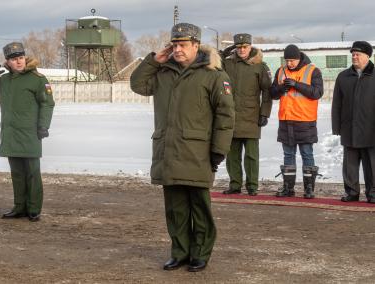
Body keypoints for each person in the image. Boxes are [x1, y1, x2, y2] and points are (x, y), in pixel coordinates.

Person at [130, 23, 234, 272]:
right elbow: (137, 84)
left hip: (198, 152)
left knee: (199, 206)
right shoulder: (163, 72)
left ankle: (200, 253)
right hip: (168, 149)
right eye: (174, 45)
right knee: (175, 207)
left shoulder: (214, 74)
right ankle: (180, 252)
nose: (178, 49)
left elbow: (226, 116)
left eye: (183, 45)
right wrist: (155, 60)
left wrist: (218, 151)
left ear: (196, 45)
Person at [0, 42, 55, 221]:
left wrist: (43, 125)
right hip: (10, 134)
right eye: (14, 59)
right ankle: (19, 207)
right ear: (8, 62)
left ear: (25, 58)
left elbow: (47, 103)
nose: (19, 62)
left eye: (21, 58)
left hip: (30, 133)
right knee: (16, 173)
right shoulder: (5, 80)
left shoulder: (37, 79)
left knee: (32, 173)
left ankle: (33, 209)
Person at [220, 33, 272, 196]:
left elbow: (267, 91)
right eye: (239, 47)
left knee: (251, 156)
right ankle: (235, 184)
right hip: (231, 117)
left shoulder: (259, 66)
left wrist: (265, 113)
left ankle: (252, 186)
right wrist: (222, 53)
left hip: (251, 117)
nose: (242, 50)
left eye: (244, 47)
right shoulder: (228, 64)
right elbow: (213, 65)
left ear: (250, 47)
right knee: (232, 155)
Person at [269, 44, 323, 198]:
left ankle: (309, 189)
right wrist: (280, 88)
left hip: (305, 120)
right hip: (286, 120)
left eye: (292, 60)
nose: (289, 63)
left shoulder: (313, 71)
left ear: (299, 58)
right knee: (288, 154)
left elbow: (317, 93)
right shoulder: (280, 71)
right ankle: (288, 188)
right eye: (287, 60)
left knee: (307, 154)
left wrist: (296, 85)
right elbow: (272, 94)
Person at [332, 41, 375, 203]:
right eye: (353, 54)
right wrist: (336, 126)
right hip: (349, 128)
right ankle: (351, 192)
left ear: (367, 56)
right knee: (350, 165)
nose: (354, 57)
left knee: (372, 165)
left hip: (371, 129)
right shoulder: (343, 77)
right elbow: (337, 104)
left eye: (358, 54)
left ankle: (373, 193)